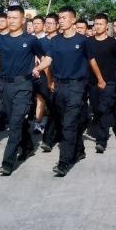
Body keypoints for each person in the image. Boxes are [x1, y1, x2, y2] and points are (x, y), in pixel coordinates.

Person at [33, 6, 105, 176]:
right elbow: (48, 59)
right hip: (59, 87)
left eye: (64, 18)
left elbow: (92, 62)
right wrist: (38, 68)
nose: (61, 20)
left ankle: (64, 162)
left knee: (68, 125)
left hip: (77, 86)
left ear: (73, 20)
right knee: (66, 122)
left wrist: (100, 79)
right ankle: (79, 150)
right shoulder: (55, 41)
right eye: (60, 18)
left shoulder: (83, 41)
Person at [0, 5, 45, 175]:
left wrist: (39, 68)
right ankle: (28, 146)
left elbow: (45, 58)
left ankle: (8, 163)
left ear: (23, 20)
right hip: (5, 86)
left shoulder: (31, 40)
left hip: (24, 86)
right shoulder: (0, 39)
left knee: (15, 124)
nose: (11, 21)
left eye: (14, 18)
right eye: (9, 17)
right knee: (15, 121)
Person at [88, 13, 116, 153]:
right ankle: (99, 127)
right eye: (96, 23)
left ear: (106, 26)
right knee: (96, 109)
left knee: (104, 109)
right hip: (93, 83)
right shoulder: (88, 42)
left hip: (109, 82)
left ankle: (102, 141)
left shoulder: (113, 43)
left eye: (100, 24)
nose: (98, 26)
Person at [40, 13, 62, 152]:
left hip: (58, 79)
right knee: (53, 109)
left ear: (57, 25)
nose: (47, 25)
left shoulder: (61, 40)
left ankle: (49, 139)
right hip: (43, 79)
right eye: (46, 23)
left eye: (50, 23)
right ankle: (50, 137)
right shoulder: (41, 41)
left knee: (56, 109)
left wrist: (52, 80)